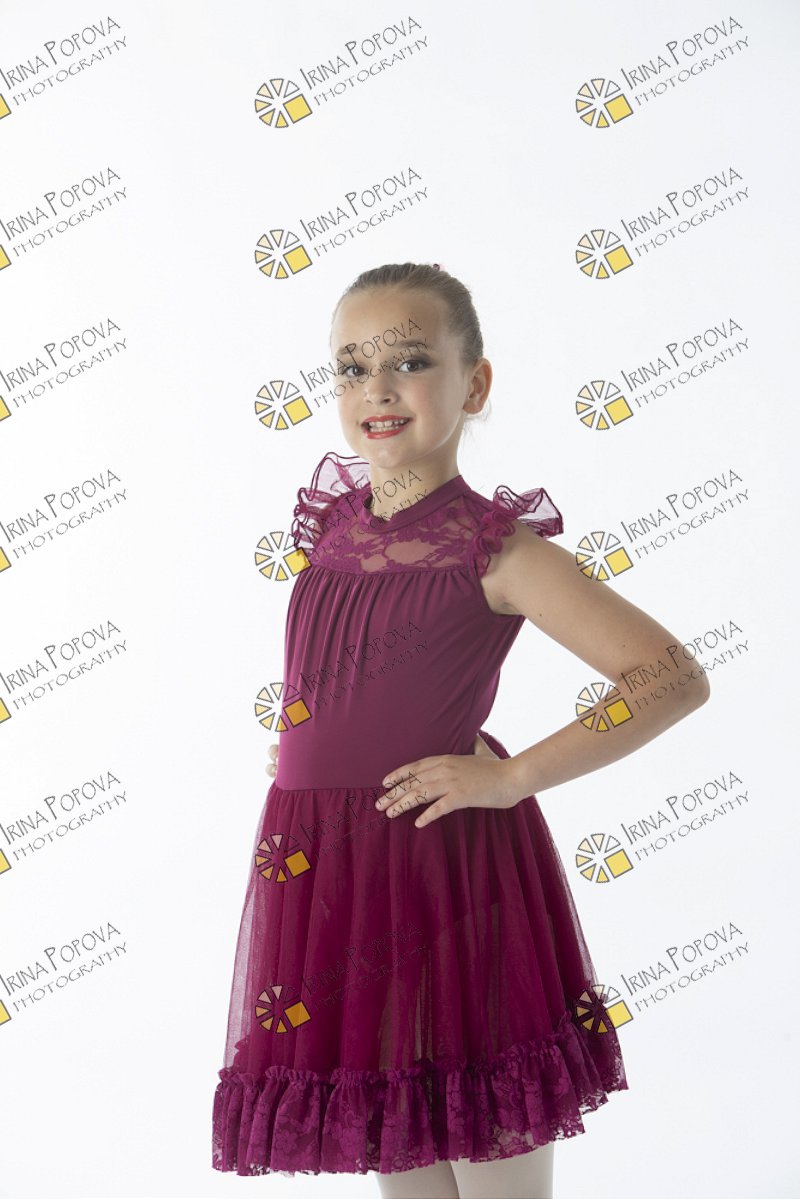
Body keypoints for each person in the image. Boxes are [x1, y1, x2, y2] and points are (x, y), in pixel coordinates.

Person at [211, 262, 711, 1198]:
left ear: (474, 384)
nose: (377, 388)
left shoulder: (497, 549)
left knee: (487, 1152)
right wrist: (314, 743)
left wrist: (511, 776)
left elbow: (670, 677)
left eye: (409, 361)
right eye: (352, 368)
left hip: (448, 868)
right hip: (336, 868)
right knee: (398, 1142)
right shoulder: (332, 530)